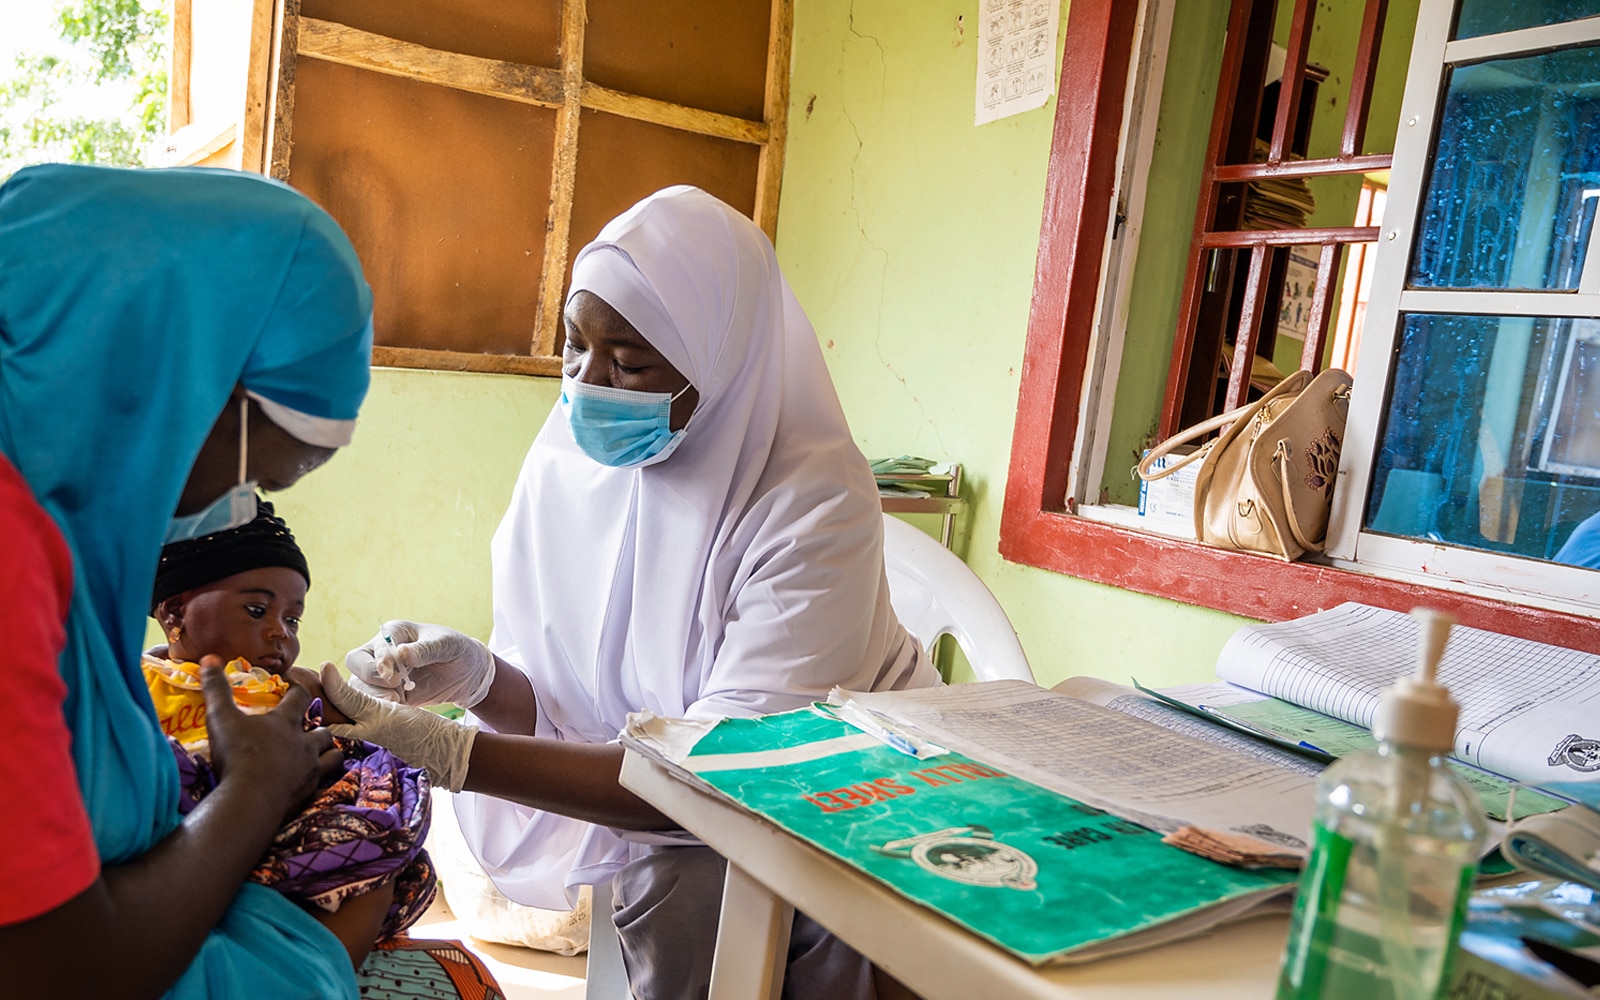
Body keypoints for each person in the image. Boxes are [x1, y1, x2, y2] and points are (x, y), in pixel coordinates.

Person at [322, 185, 943, 1000]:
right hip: (684, 793)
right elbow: (579, 712)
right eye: (575, 345)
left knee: (687, 895)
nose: (588, 383)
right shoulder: (567, 467)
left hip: (840, 791)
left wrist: (449, 754)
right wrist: (481, 682)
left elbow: (718, 786)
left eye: (630, 361)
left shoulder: (811, 504)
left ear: (722, 360)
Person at [0, 163, 376, 998]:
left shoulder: (51, 550)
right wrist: (253, 793)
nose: (229, 512)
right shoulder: (11, 553)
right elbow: (59, 970)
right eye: (255, 477)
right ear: (183, 392)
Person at [143, 502, 436, 961]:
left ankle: (322, 964)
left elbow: (336, 737)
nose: (281, 633)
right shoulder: (138, 681)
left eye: (293, 619)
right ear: (176, 613)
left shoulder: (290, 687)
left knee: (380, 817)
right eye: (257, 610)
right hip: (187, 834)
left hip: (291, 823)